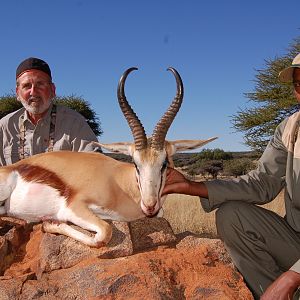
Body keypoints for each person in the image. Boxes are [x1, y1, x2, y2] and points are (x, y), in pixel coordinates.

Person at [162, 53, 300, 300]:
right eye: (299, 84)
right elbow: (262, 183)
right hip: (295, 242)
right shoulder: (290, 128)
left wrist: (292, 277)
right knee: (232, 215)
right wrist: (192, 187)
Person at [0, 57, 100, 166]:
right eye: (26, 86)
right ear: (17, 92)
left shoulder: (75, 123)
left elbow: (95, 165)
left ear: (53, 90)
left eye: (40, 84)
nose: (33, 92)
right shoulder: (4, 126)